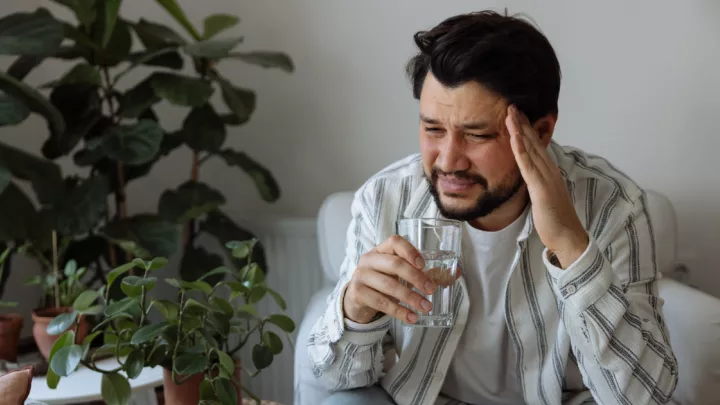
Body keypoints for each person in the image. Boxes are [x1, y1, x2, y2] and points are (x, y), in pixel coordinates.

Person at [307, 10, 679, 405]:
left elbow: (646, 397)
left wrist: (572, 246)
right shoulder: (385, 200)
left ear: (541, 132)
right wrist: (356, 309)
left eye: (477, 135)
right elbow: (335, 378)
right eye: (433, 129)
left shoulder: (612, 207)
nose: (449, 161)